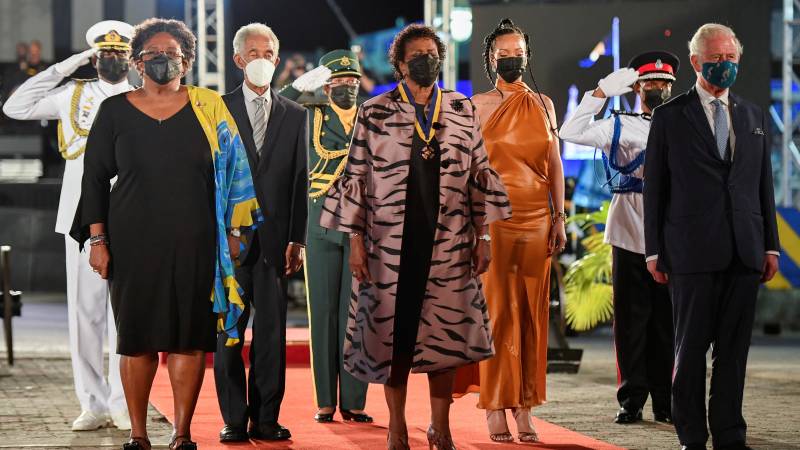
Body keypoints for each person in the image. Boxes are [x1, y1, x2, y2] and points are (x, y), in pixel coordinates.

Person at [70, 18, 261, 450]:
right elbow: (95, 179)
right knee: (135, 339)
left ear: (187, 61)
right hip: (132, 241)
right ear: (138, 63)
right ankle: (138, 435)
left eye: (170, 54)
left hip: (197, 240)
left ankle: (182, 433)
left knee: (188, 337)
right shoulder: (114, 111)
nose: (161, 60)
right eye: (152, 55)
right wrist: (97, 241)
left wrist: (235, 231)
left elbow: (235, 174)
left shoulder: (209, 106)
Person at [320, 23, 511, 450]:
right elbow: (357, 179)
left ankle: (439, 426)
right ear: (400, 64)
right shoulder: (376, 111)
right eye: (417, 56)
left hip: (450, 241)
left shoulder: (462, 108)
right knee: (395, 339)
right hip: (389, 246)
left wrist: (483, 238)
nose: (427, 61)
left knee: (445, 340)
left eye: (433, 53)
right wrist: (355, 240)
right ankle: (396, 426)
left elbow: (480, 176)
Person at [643, 23, 779, 450]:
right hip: (690, 252)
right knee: (690, 354)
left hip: (745, 250)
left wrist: (770, 244)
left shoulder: (754, 115)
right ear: (698, 62)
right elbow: (655, 189)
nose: (726, 66)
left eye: (732, 59)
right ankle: (692, 437)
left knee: (733, 355)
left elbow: (763, 184)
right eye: (717, 59)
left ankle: (729, 434)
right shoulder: (669, 116)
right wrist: (653, 251)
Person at [2, 21, 135, 432]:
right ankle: (92, 402)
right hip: (80, 219)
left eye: (120, 53)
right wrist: (64, 67)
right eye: (104, 53)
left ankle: (123, 401)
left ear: (131, 57)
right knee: (85, 313)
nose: (112, 59)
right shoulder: (74, 94)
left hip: (133, 215)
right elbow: (15, 107)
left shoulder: (142, 96)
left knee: (126, 316)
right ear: (93, 57)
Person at [456, 18, 565, 444]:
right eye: (503, 53)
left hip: (538, 218)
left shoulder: (545, 104)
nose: (511, 58)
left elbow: (554, 163)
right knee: (498, 314)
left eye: (517, 51)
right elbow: (467, 169)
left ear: (527, 55)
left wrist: (559, 217)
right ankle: (496, 406)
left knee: (533, 315)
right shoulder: (475, 105)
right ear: (490, 58)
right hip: (494, 220)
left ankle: (526, 406)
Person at [560, 51, 680, 425]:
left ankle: (666, 402)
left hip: (671, 232)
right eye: (650, 83)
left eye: (664, 84)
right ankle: (632, 400)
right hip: (629, 229)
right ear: (637, 87)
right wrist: (599, 93)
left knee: (668, 323)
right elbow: (569, 132)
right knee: (630, 322)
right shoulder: (619, 124)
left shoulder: (682, 125)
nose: (657, 88)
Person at [213, 22, 308, 443]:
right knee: (229, 335)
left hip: (274, 246)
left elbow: (300, 183)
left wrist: (298, 239)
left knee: (271, 337)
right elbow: (209, 178)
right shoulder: (216, 109)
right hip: (229, 245)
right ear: (238, 60)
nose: (263, 60)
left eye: (269, 53)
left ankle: (266, 418)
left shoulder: (295, 114)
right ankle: (234, 417)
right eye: (254, 53)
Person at [279, 50, 373, 424]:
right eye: (340, 83)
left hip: (360, 226)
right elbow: (277, 103)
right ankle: (325, 401)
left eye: (353, 83)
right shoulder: (312, 115)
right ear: (327, 85)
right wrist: (306, 81)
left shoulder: (370, 115)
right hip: (318, 223)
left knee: (356, 314)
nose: (347, 88)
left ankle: (353, 400)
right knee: (323, 312)